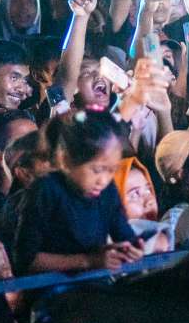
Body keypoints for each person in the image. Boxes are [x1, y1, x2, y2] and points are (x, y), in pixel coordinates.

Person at [13, 110, 141, 274]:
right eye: (97, 170)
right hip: (53, 290)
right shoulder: (45, 189)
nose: (103, 180)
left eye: (111, 171)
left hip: (95, 285)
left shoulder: (107, 191)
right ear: (66, 160)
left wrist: (133, 249)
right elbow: (25, 260)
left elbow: (124, 236)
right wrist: (88, 261)